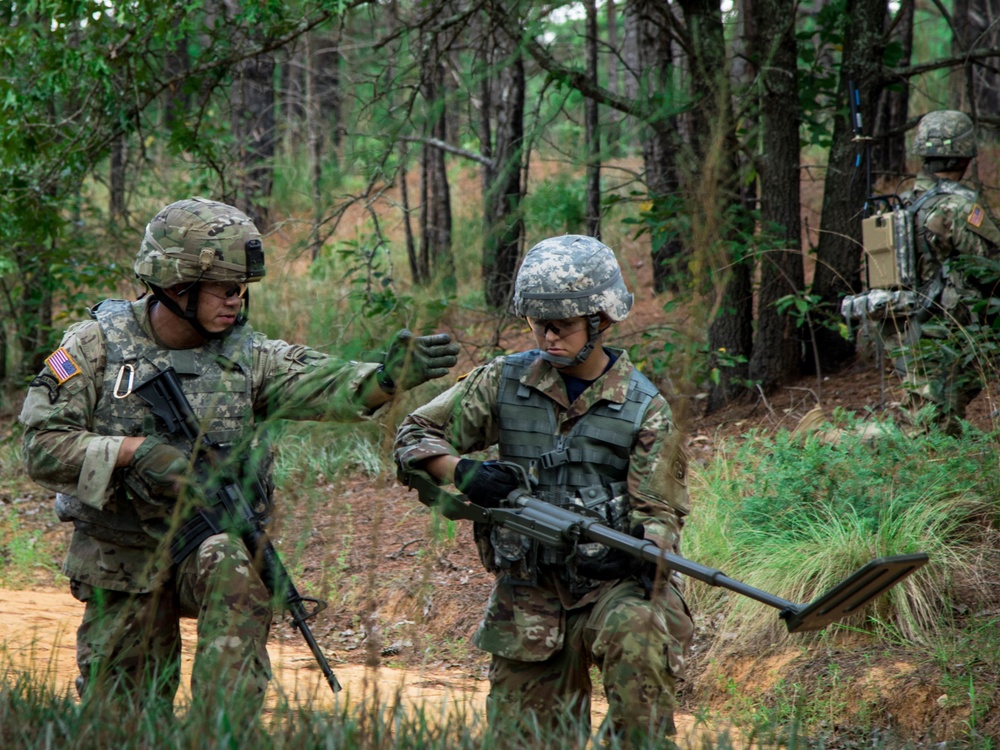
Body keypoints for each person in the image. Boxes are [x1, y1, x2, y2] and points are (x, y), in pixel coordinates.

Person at [18, 197, 459, 717]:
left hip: (201, 547)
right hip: (121, 557)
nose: (236, 302)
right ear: (179, 285)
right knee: (121, 717)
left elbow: (320, 382)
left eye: (241, 290)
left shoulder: (244, 356)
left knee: (236, 561)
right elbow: (40, 446)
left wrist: (385, 377)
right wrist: (133, 452)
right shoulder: (94, 347)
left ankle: (222, 728)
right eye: (225, 289)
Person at [393, 235, 693, 742]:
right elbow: (414, 434)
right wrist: (464, 472)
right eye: (539, 324)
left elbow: (660, 510)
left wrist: (644, 549)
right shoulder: (503, 381)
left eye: (564, 326)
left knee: (640, 640)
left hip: (612, 588)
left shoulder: (644, 407)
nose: (549, 337)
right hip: (529, 594)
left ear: (601, 320)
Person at [886, 110, 1000, 435]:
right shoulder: (958, 208)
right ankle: (827, 438)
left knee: (935, 423)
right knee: (927, 432)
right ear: (965, 156)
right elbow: (992, 266)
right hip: (943, 331)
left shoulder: (907, 202)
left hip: (910, 327)